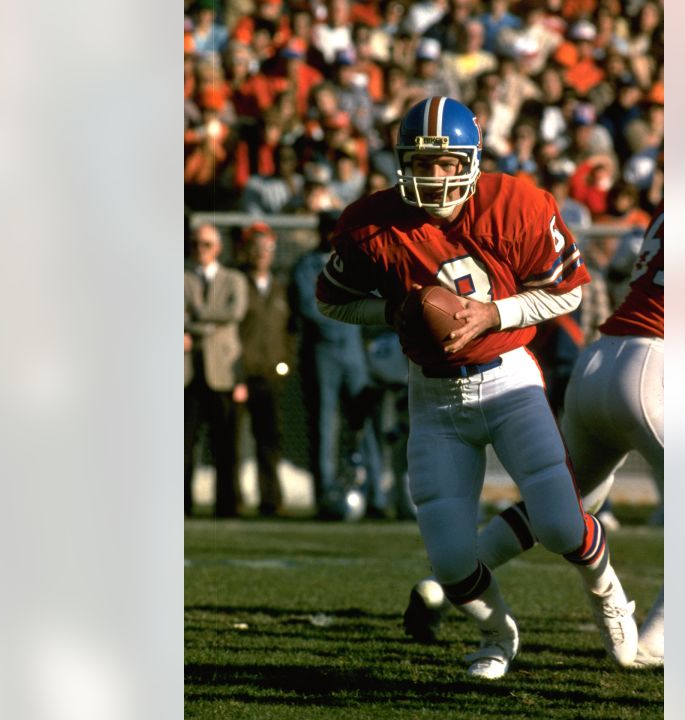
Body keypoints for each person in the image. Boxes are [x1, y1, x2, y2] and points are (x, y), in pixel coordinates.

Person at [315, 96, 642, 679]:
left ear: (472, 160)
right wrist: (393, 312)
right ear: (401, 162)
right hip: (434, 396)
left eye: (447, 164)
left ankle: (609, 594)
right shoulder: (371, 224)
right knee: (449, 562)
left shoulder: (515, 205)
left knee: (562, 524)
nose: (435, 176)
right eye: (421, 162)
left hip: (508, 378)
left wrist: (494, 314)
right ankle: (499, 634)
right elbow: (331, 300)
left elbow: (566, 293)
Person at [404, 203, 665, 667]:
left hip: (602, 359)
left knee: (565, 505)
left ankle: (441, 589)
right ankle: (653, 643)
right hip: (657, 365)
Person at [290, 212, 386, 520]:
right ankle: (327, 496)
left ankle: (376, 495)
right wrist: (349, 312)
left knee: (365, 424)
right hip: (324, 350)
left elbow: (373, 298)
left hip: (354, 351)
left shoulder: (357, 264)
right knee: (325, 424)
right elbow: (310, 307)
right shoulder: (307, 266)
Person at [184, 223, 249, 518]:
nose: (201, 250)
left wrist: (195, 318)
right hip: (187, 372)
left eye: (207, 244)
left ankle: (227, 504)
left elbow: (235, 312)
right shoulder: (181, 276)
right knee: (183, 445)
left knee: (225, 445)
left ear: (218, 248)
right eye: (197, 244)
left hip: (222, 372)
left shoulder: (234, 279)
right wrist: (212, 323)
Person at [236, 221, 293, 517]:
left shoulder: (281, 288)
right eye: (256, 247)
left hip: (271, 374)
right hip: (241, 374)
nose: (262, 253)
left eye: (267, 247)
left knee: (269, 440)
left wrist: (286, 360)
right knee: (233, 442)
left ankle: (271, 499)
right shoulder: (238, 283)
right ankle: (231, 500)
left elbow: (290, 330)